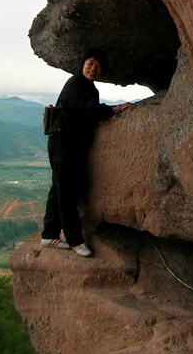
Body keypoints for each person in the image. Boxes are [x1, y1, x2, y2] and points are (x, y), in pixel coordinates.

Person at [41, 48, 132, 257]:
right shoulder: (76, 84)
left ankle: (49, 234)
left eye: (98, 65)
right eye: (90, 63)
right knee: (68, 192)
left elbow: (88, 110)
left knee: (58, 187)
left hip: (66, 142)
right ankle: (75, 240)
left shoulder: (89, 88)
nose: (93, 68)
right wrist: (116, 109)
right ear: (82, 64)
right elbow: (88, 112)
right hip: (63, 142)